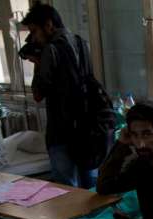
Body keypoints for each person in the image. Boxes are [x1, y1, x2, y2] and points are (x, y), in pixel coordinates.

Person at [21, 3, 105, 188]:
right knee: (90, 185)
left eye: (34, 31)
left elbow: (37, 94)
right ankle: (91, 218)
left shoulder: (50, 50)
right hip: (87, 127)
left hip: (61, 130)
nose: (33, 38)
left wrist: (37, 63)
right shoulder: (82, 43)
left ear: (48, 25)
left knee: (65, 188)